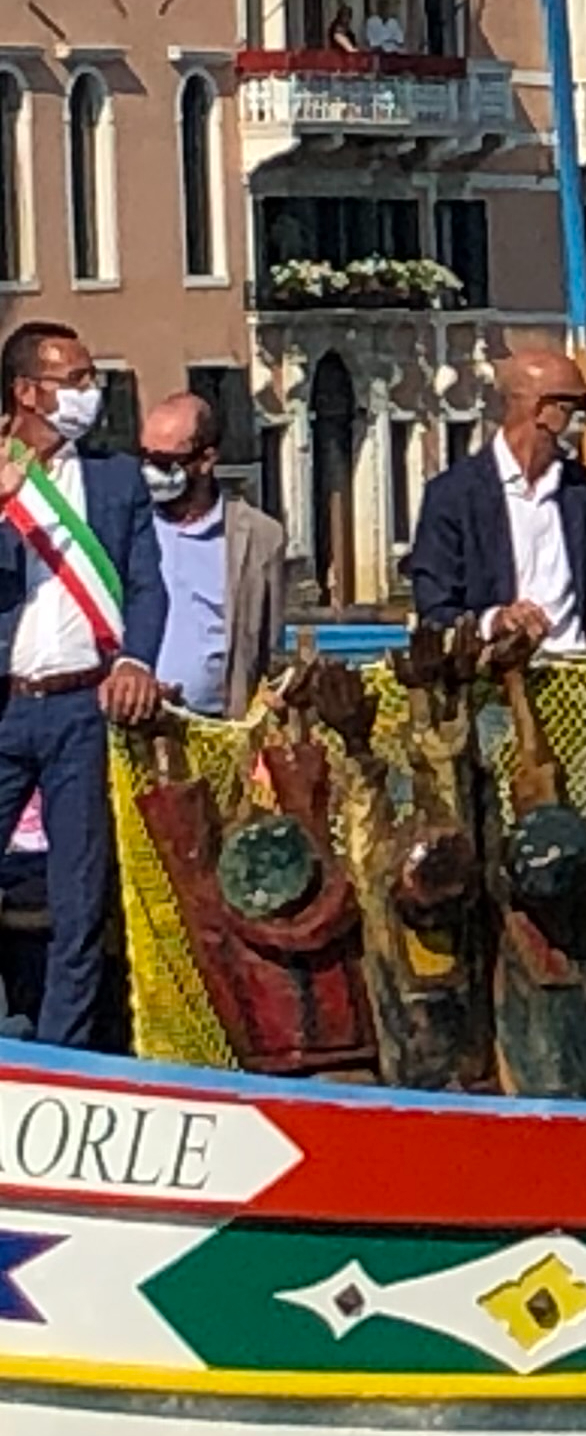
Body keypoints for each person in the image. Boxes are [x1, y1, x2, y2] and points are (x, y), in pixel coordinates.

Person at [0, 321, 168, 1052]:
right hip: (5, 702)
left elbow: (145, 582)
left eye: (91, 378)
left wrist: (136, 659)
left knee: (79, 897)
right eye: (74, 380)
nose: (88, 394)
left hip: (82, 706)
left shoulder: (116, 477)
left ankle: (63, 1056)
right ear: (27, 391)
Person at [404, 346, 586, 657]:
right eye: (577, 407)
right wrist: (496, 620)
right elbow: (434, 607)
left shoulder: (577, 487)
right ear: (546, 412)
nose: (585, 421)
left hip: (576, 673)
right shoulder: (452, 495)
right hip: (491, 679)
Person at [134, 392, 282, 718]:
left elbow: (267, 644)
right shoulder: (129, 525)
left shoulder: (260, 536)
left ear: (206, 460)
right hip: (132, 721)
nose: (150, 471)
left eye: (164, 462)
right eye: (144, 457)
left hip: (218, 725)